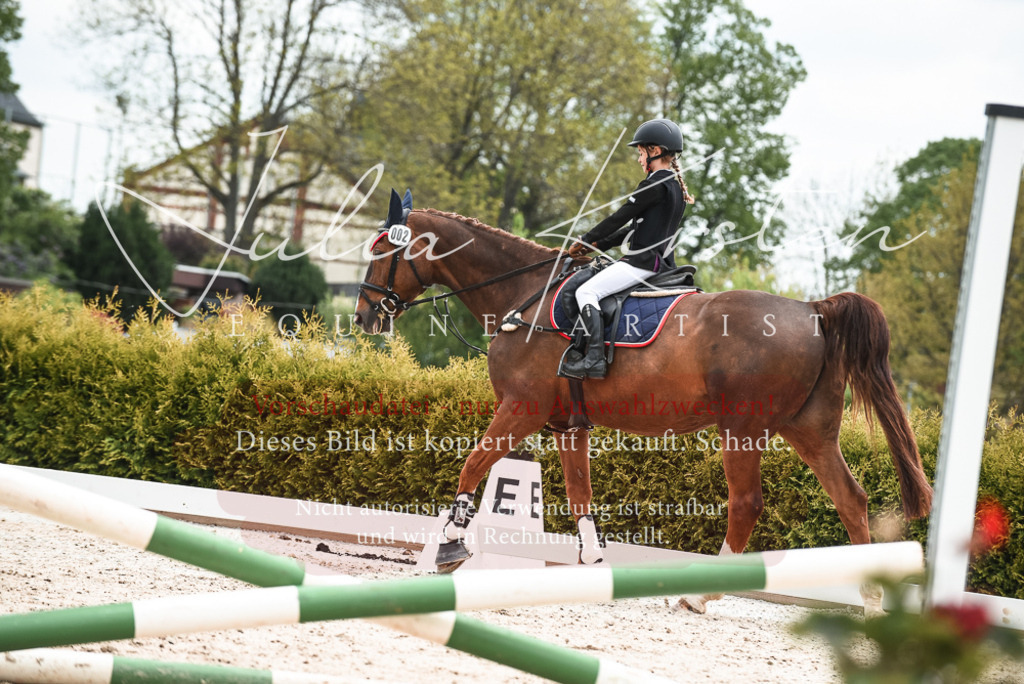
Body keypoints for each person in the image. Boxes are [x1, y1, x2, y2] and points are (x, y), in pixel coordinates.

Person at [559, 118, 694, 380]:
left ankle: (593, 360)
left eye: (640, 152)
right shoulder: (674, 186)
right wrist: (598, 245)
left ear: (654, 151)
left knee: (586, 292)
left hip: (641, 263)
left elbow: (618, 218)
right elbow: (634, 230)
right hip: (662, 264)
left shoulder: (654, 184)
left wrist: (585, 239)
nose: (639, 159)